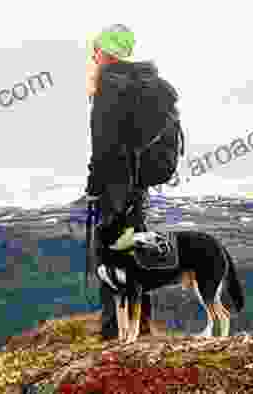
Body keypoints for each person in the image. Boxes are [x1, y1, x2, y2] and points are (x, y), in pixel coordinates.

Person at [85, 24, 183, 340]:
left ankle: (115, 332)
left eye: (95, 50)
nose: (93, 56)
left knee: (111, 252)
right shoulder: (147, 84)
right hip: (139, 181)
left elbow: (103, 147)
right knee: (134, 250)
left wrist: (93, 187)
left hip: (115, 183)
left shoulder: (110, 87)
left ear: (105, 52)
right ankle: (138, 326)